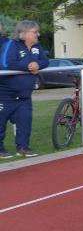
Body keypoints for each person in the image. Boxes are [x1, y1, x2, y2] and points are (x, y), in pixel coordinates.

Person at [0, 20, 50, 158]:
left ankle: (23, 148)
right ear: (24, 33)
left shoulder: (37, 47)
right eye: (35, 32)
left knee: (25, 123)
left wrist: (37, 64)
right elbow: (5, 63)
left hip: (24, 96)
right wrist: (28, 66)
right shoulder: (11, 44)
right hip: (5, 95)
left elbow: (45, 61)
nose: (38, 34)